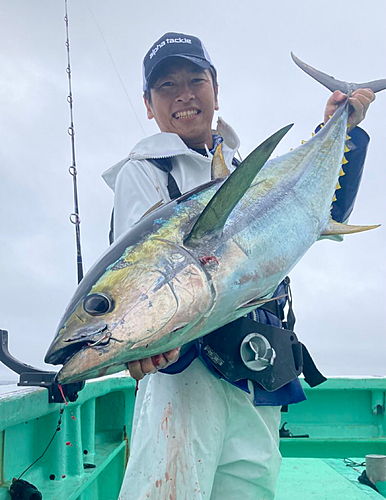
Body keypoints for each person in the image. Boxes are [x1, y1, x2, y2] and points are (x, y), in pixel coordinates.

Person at [102, 32, 375, 500]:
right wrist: (140, 339)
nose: (185, 95)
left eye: (196, 80)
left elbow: (321, 219)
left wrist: (341, 128)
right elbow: (144, 279)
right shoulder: (146, 170)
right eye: (166, 86)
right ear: (148, 104)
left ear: (216, 89)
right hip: (185, 378)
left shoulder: (249, 169)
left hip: (259, 372)